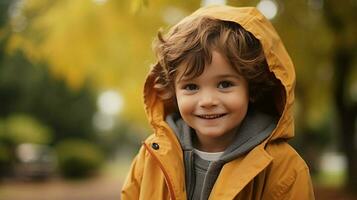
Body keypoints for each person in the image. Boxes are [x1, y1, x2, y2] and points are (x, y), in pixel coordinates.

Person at [121, 5, 315, 200]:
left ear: (251, 88)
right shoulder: (151, 159)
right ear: (174, 92)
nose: (207, 101)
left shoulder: (284, 168)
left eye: (224, 84)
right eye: (191, 87)